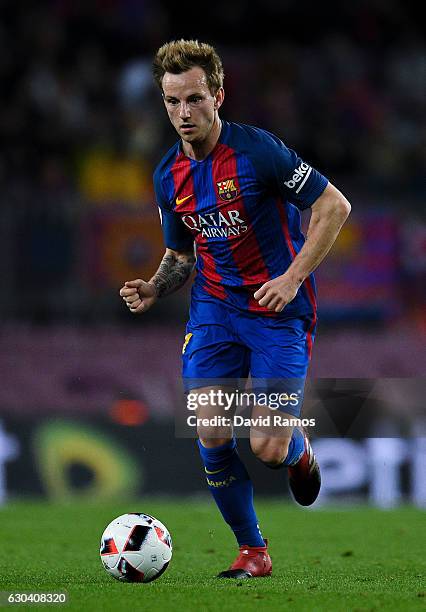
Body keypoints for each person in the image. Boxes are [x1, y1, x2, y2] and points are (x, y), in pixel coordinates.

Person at [120, 39, 351, 579]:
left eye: (194, 99)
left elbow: (333, 205)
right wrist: (156, 287)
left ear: (218, 96)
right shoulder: (166, 176)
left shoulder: (258, 153)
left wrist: (292, 278)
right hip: (213, 312)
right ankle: (254, 551)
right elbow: (181, 253)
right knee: (211, 430)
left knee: (267, 447)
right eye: (172, 101)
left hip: (277, 312)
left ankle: (297, 451)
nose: (183, 113)